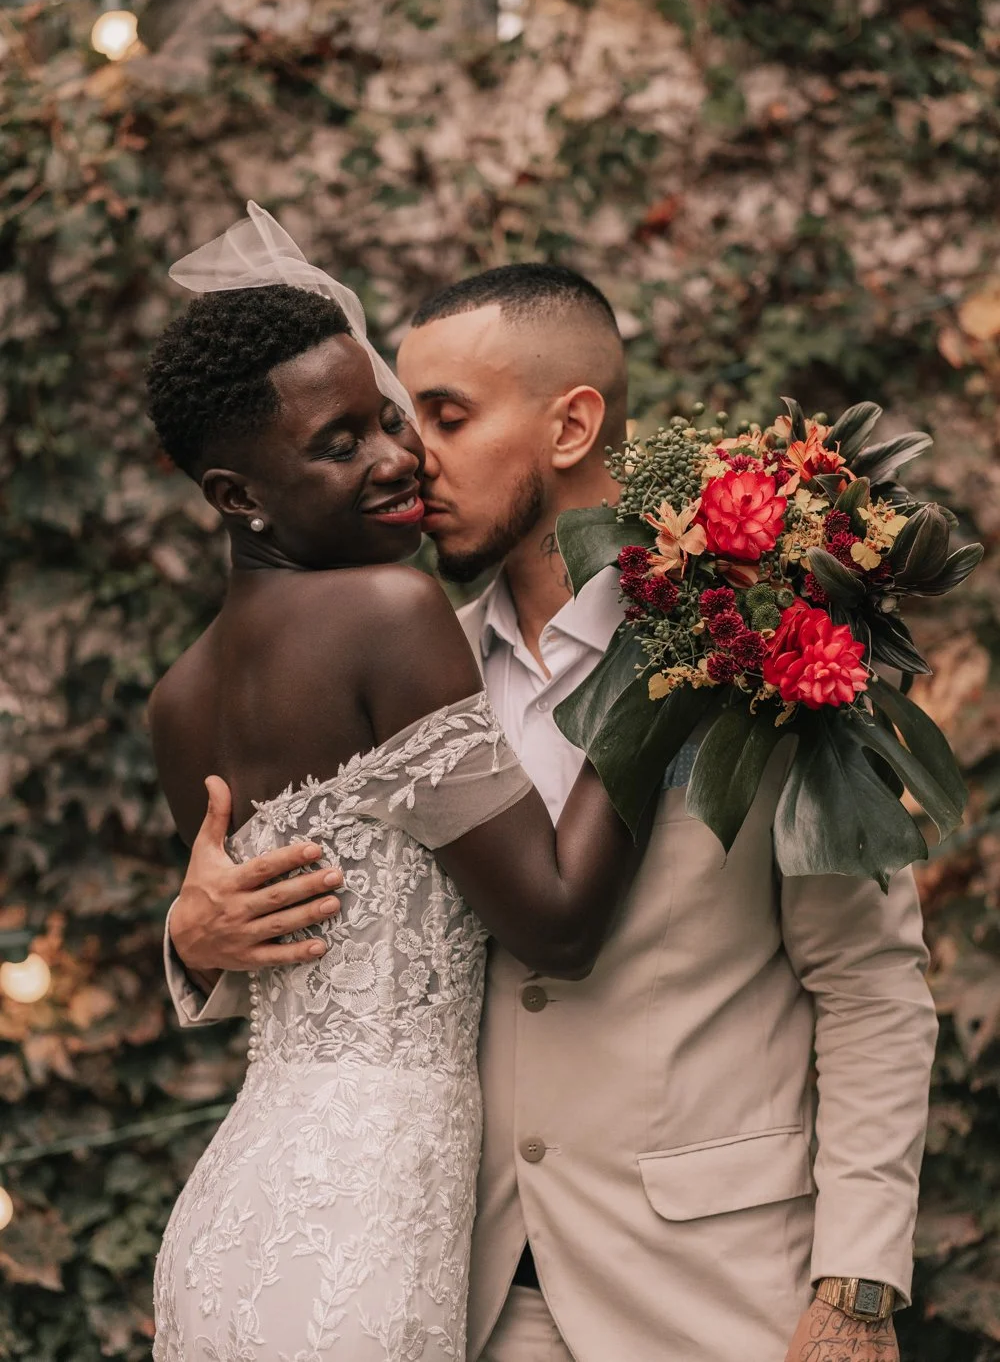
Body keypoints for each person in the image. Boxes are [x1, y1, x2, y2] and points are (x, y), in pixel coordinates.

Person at [164, 258, 939, 1362]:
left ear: (570, 426)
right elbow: (331, 906)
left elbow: (867, 986)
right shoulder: (407, 671)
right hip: (458, 1288)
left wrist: (856, 1286)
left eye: (442, 415)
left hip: (709, 1296)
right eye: (392, 416)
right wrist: (190, 941)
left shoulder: (758, 649)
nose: (406, 455)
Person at [145, 205, 656, 1362]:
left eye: (391, 420)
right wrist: (667, 655)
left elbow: (258, 944)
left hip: (247, 1209)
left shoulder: (176, 697)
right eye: (341, 445)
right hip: (364, 1232)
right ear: (237, 496)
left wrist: (183, 937)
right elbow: (557, 920)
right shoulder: (390, 614)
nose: (397, 461)